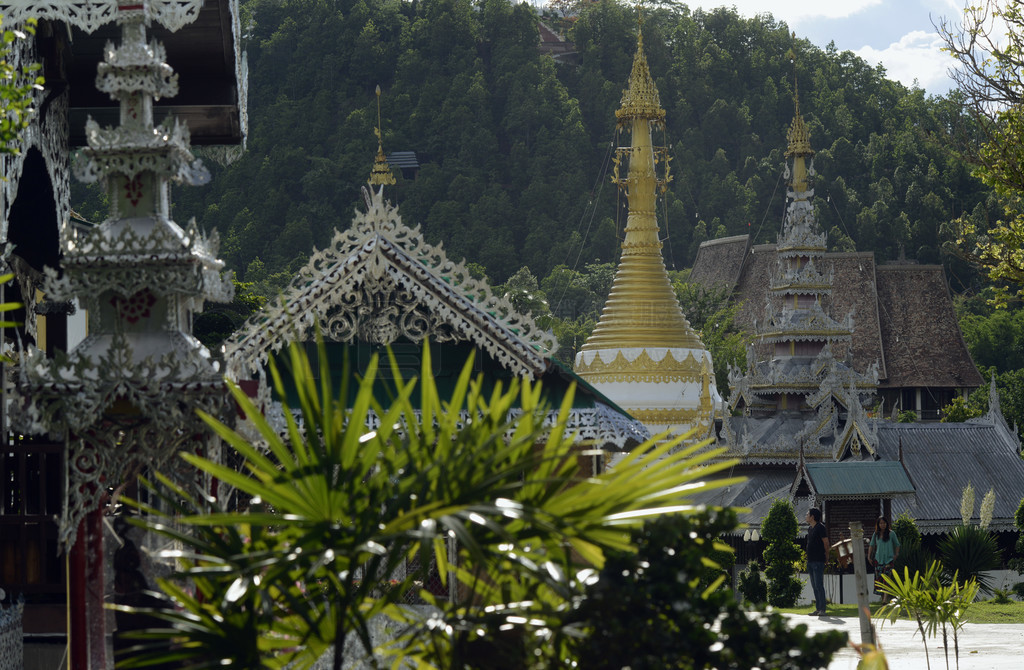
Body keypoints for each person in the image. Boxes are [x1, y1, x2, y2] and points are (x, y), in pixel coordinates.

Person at [868, 515, 901, 603]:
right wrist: (869, 556)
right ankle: (883, 600)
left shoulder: (891, 533)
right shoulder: (876, 534)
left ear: (887, 524)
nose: (883, 525)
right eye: (881, 523)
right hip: (878, 560)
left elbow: (897, 545)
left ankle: (885, 600)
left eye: (884, 523)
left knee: (887, 579)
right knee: (879, 580)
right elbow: (871, 545)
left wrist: (896, 555)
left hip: (889, 560)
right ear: (878, 525)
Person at [806, 507, 829, 616]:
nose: (806, 516)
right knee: (814, 585)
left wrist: (827, 556)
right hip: (810, 560)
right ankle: (818, 608)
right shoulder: (810, 528)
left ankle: (823, 609)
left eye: (808, 514)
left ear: (812, 517)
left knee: (819, 584)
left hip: (818, 560)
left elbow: (826, 542)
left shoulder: (820, 528)